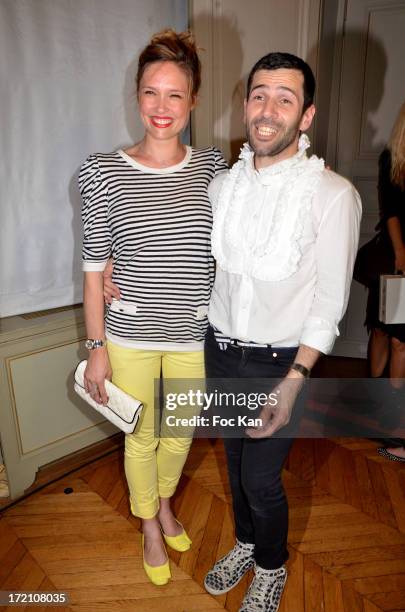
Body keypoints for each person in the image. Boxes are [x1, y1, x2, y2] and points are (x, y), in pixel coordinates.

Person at [203, 52, 361, 611]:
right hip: (219, 352)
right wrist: (124, 281)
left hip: (281, 364)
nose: (268, 110)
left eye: (285, 98)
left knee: (262, 479)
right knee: (236, 464)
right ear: (246, 104)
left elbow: (329, 301)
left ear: (307, 115)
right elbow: (194, 263)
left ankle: (272, 565)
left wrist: (295, 378)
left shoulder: (333, 195)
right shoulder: (222, 186)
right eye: (259, 94)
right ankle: (247, 542)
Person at [79, 29, 227, 586]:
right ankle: (149, 522)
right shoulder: (103, 172)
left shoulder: (214, 169)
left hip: (193, 335)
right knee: (142, 435)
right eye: (150, 93)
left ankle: (165, 503)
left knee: (181, 431)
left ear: (192, 102)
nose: (160, 108)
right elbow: (94, 273)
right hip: (129, 337)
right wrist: (96, 350)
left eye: (173, 95)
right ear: (136, 96)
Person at [365, 101, 405, 462]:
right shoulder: (391, 157)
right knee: (384, 331)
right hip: (396, 262)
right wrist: (401, 253)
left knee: (399, 341)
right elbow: (390, 210)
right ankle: (376, 399)